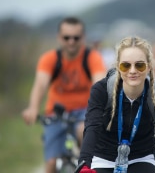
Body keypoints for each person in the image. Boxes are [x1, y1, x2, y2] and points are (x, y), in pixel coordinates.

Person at [77, 36, 155, 173]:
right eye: (126, 65)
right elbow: (92, 127)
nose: (132, 71)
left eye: (139, 65)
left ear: (148, 67)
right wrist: (84, 164)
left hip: (141, 157)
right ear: (118, 66)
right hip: (103, 157)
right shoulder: (101, 90)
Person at [22, 17, 106, 173]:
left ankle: (87, 165)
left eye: (76, 38)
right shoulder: (49, 59)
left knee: (85, 132)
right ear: (59, 38)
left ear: (83, 38)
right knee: (51, 163)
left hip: (85, 111)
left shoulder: (92, 57)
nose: (71, 42)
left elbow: (100, 83)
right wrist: (33, 108)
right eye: (66, 37)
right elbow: (40, 84)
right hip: (56, 112)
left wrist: (102, 109)